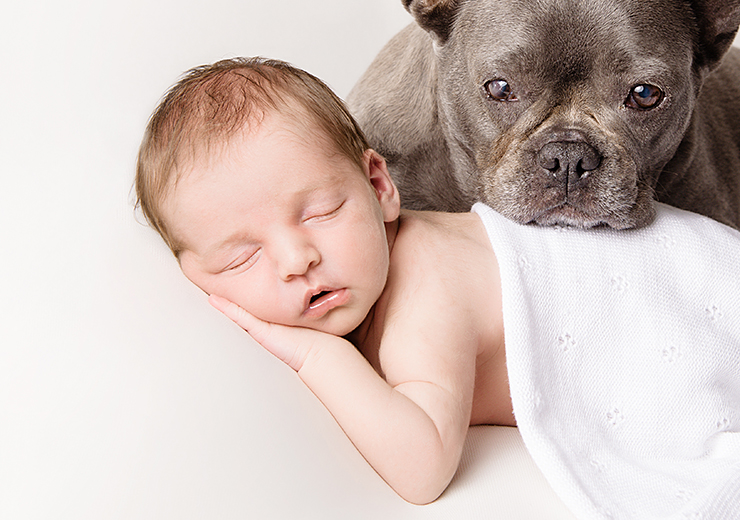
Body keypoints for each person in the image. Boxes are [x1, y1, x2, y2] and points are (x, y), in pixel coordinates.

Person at [135, 57, 514, 505]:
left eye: (320, 213)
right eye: (242, 257)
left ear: (378, 187)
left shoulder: (428, 291)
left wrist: (317, 355)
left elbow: (423, 469)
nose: (296, 261)